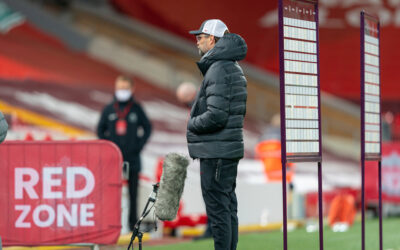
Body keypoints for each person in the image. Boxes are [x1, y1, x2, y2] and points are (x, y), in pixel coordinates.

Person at [187, 19, 247, 250]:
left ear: (212, 39)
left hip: (217, 151)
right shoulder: (231, 66)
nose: (197, 41)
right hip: (225, 149)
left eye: (200, 37)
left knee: (219, 211)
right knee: (227, 207)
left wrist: (192, 123)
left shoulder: (219, 68)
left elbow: (217, 116)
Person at [97, 75, 152, 231]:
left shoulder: (136, 108)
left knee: (133, 194)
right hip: (113, 159)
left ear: (132, 89)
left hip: (133, 158)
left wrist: (138, 145)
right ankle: (110, 225)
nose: (122, 91)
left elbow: (147, 128)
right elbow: (100, 130)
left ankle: (132, 224)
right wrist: (109, 146)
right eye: (120, 88)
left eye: (125, 88)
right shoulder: (109, 109)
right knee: (110, 193)